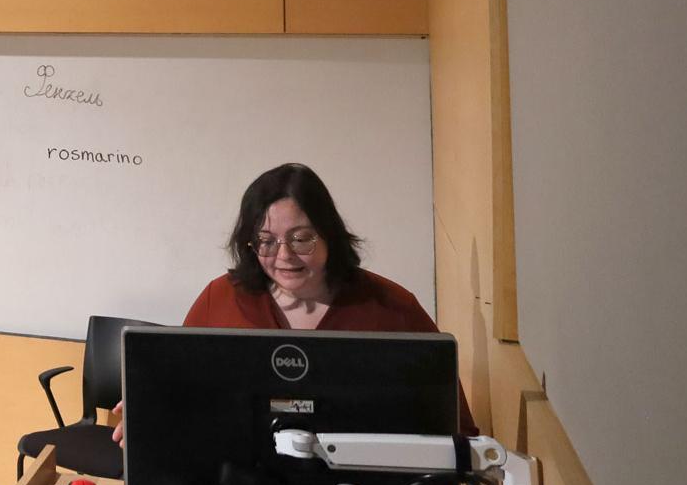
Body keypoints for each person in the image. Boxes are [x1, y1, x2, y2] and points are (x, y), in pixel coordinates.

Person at [113, 163, 476, 439]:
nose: (284, 256)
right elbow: (179, 383)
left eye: (301, 239)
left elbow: (452, 423)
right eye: (266, 241)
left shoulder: (392, 307)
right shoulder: (220, 298)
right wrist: (149, 409)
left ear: (329, 235)